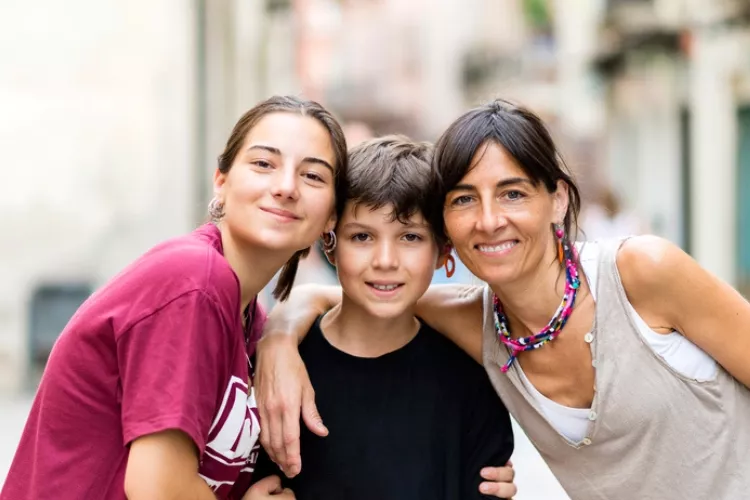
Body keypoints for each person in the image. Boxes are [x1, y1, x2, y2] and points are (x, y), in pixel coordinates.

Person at [255, 99, 750, 500]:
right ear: (447, 226)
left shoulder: (641, 272)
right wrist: (278, 339)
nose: (489, 220)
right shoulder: (478, 327)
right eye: (465, 198)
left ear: (556, 199)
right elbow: (348, 297)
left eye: (512, 194)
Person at [0, 95, 348, 500]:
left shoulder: (247, 313)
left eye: (313, 176)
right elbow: (156, 487)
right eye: (263, 164)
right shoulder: (194, 282)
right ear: (221, 180)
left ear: (331, 217)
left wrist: (280, 336)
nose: (286, 187)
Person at [251, 136, 514, 499]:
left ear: (443, 251)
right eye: (362, 236)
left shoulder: (469, 380)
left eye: (410, 236)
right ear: (329, 242)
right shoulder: (282, 370)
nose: (385, 260)